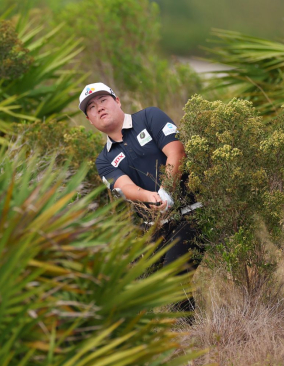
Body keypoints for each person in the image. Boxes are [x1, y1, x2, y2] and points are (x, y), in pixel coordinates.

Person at [79, 82, 201, 306]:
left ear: (117, 101)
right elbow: (125, 188)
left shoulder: (149, 117)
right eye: (91, 108)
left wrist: (167, 190)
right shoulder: (104, 160)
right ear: (89, 120)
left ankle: (196, 333)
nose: (99, 108)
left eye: (103, 101)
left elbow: (176, 151)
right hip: (160, 223)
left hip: (193, 211)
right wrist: (152, 197)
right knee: (134, 284)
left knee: (173, 278)